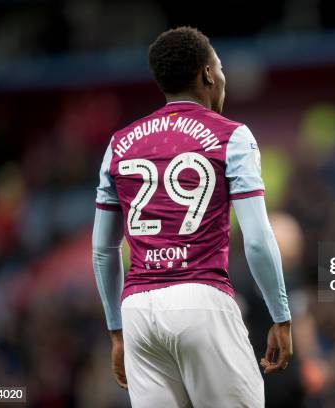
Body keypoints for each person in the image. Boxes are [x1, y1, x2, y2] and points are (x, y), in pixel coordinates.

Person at [92, 26, 292, 408]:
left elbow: (103, 250)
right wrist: (280, 317)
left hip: (138, 312)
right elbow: (256, 238)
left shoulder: (118, 144)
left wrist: (116, 330)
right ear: (207, 74)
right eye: (220, 67)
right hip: (201, 299)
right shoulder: (232, 136)